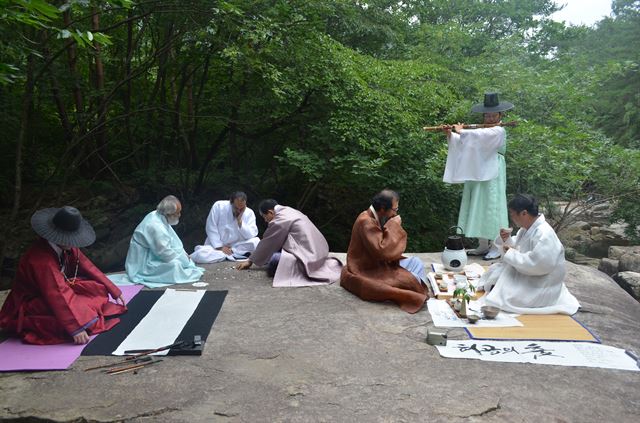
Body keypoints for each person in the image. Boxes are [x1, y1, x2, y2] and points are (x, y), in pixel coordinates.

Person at [0, 206, 127, 345]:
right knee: (75, 317)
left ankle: (83, 314)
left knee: (96, 289)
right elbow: (57, 292)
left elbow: (86, 265)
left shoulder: (63, 245)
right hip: (33, 302)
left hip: (54, 292)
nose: (72, 242)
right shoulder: (41, 260)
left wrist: (113, 289)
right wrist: (76, 327)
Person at [477, 194, 580, 315]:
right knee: (494, 275)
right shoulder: (526, 229)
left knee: (503, 297)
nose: (511, 217)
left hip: (540, 284)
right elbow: (518, 246)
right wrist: (506, 239)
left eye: (512, 213)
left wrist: (509, 252)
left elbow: (539, 265)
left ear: (524, 213)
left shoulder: (545, 234)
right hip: (528, 273)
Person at [442, 92, 513, 260]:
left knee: (493, 206)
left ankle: (497, 246)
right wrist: (451, 134)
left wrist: (463, 131)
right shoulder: (481, 130)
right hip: (477, 169)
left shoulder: (499, 130)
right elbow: (467, 142)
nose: (489, 118)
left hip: (493, 172)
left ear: (500, 115)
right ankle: (482, 244)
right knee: (478, 204)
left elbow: (479, 137)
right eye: (487, 115)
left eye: (493, 115)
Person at [340, 190, 428, 313]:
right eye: (394, 210)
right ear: (382, 208)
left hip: (379, 264)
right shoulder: (366, 221)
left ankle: (415, 289)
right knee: (412, 278)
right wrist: (394, 225)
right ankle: (415, 293)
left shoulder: (375, 217)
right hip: (367, 269)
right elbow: (383, 251)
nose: (395, 214)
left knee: (416, 262)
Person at [235, 199, 342, 287]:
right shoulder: (289, 210)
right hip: (319, 252)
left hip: (309, 257)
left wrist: (250, 260)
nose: (265, 220)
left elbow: (268, 241)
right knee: (273, 254)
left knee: (273, 261)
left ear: (271, 212)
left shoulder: (280, 220)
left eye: (264, 217)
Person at [118, 195, 204, 288]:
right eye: (177, 213)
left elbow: (172, 242)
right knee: (175, 266)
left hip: (153, 253)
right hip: (142, 262)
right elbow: (165, 254)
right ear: (169, 214)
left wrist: (183, 253)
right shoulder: (156, 226)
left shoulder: (158, 215)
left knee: (182, 262)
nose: (179, 215)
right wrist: (184, 259)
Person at [191, 191, 260, 263]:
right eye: (236, 208)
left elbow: (251, 235)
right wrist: (220, 247)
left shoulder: (249, 212)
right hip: (216, 246)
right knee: (201, 254)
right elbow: (211, 227)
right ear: (231, 202)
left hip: (236, 247)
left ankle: (230, 253)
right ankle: (225, 254)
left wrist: (240, 223)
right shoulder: (218, 206)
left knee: (256, 242)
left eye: (241, 208)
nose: (239, 211)